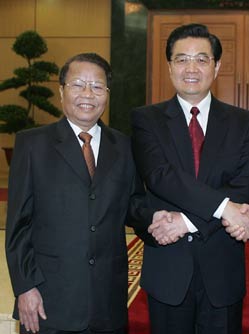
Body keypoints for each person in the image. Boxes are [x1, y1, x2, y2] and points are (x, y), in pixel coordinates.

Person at [5, 53, 164, 334]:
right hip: (48, 300)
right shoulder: (32, 145)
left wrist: (159, 221)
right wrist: (25, 286)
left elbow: (133, 204)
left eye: (97, 86)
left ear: (107, 93)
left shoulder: (125, 147)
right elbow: (18, 226)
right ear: (62, 90)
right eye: (78, 85)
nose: (88, 94)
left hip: (108, 301)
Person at [130, 23, 249, 334]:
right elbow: (161, 176)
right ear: (169, 66)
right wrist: (224, 208)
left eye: (202, 59)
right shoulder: (146, 120)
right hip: (168, 272)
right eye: (182, 59)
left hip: (223, 272)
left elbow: (244, 186)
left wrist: (186, 223)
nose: (192, 68)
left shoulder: (245, 123)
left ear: (216, 66)